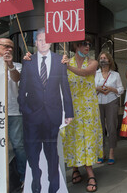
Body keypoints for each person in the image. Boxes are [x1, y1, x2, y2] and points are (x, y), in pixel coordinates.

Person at [18, 28, 74, 193]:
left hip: (52, 114)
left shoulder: (60, 61)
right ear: (35, 42)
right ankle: (36, 175)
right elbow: (22, 89)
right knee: (32, 151)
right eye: (39, 40)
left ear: (51, 42)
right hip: (32, 115)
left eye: (46, 40)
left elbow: (65, 88)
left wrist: (69, 112)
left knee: (51, 151)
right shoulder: (28, 61)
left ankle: (54, 182)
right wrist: (24, 108)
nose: (43, 43)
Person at [61, 40, 103, 192]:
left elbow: (86, 73)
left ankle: (90, 172)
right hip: (71, 107)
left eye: (88, 44)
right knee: (72, 137)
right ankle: (75, 168)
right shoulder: (65, 61)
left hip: (88, 107)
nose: (87, 46)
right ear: (75, 46)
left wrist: (68, 67)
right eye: (83, 44)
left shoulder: (93, 62)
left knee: (88, 138)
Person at [0, 38, 27, 187]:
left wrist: (10, 65)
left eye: (11, 47)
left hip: (14, 112)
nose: (8, 49)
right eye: (5, 46)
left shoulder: (17, 66)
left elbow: (17, 79)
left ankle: (24, 177)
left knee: (18, 145)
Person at [95, 51, 124, 165]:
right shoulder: (95, 73)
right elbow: (90, 87)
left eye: (105, 58)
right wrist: (98, 88)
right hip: (98, 102)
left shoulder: (115, 75)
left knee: (112, 127)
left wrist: (111, 89)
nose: (103, 60)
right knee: (99, 128)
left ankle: (111, 152)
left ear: (109, 60)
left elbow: (121, 89)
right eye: (101, 58)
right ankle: (101, 152)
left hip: (112, 101)